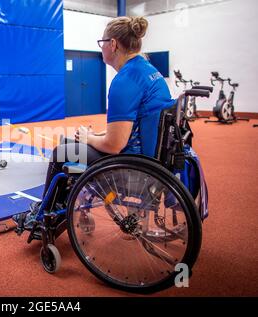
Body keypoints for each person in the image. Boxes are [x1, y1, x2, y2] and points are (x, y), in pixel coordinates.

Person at [14, 16, 175, 230]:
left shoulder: (125, 81)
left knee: (62, 152)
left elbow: (114, 146)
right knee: (71, 143)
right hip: (150, 157)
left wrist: (89, 138)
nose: (102, 48)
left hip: (134, 167)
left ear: (113, 44)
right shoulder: (148, 71)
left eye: (102, 43)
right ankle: (55, 207)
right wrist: (93, 137)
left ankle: (45, 216)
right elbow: (131, 127)